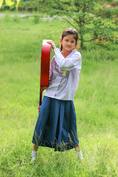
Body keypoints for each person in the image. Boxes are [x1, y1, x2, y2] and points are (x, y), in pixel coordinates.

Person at [30, 28, 83, 162]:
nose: (69, 44)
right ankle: (33, 157)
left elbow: (64, 65)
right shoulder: (55, 57)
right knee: (41, 123)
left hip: (65, 97)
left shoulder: (76, 57)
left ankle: (80, 157)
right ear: (62, 40)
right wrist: (42, 102)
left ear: (76, 44)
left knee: (70, 127)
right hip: (51, 95)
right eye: (66, 40)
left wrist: (54, 48)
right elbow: (50, 78)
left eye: (72, 41)